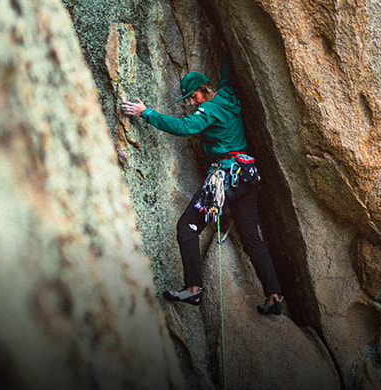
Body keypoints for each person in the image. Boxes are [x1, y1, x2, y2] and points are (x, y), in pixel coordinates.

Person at [121, 52, 283, 315]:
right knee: (251, 238)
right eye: (189, 100)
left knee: (187, 227)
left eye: (194, 96)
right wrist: (223, 49)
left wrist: (145, 112)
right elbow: (228, 74)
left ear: (204, 90)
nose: (192, 103)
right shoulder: (227, 96)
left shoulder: (208, 110)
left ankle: (193, 290)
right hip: (248, 175)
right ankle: (274, 296)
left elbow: (184, 127)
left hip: (226, 177)